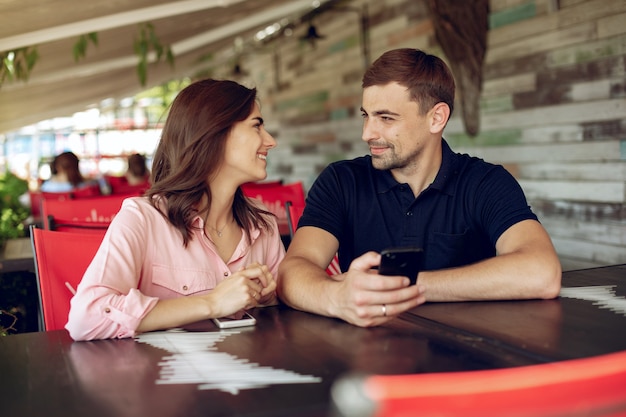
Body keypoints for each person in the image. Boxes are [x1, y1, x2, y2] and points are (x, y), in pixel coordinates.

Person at [277, 48, 562, 327]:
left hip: (466, 359)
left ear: (436, 117)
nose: (367, 133)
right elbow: (292, 272)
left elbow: (541, 273)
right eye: (366, 115)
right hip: (370, 360)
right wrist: (335, 296)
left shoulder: (485, 182)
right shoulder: (342, 181)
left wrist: (402, 288)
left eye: (386, 118)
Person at [66, 79, 284, 341]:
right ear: (215, 132)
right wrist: (212, 302)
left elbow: (282, 320)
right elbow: (85, 318)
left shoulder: (263, 224)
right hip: (163, 376)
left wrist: (269, 298)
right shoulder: (143, 219)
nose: (270, 141)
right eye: (256, 126)